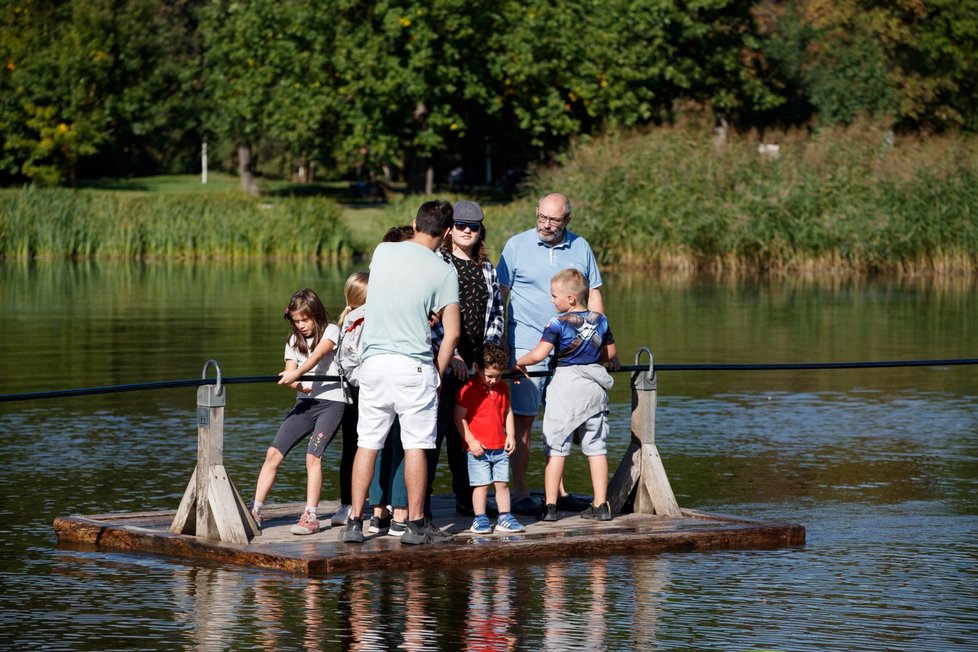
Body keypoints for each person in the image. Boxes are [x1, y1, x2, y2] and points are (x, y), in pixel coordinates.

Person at [340, 200, 461, 545]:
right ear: (448, 232)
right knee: (415, 446)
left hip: (374, 364)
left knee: (367, 443)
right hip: (413, 365)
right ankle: (416, 525)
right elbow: (451, 332)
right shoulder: (444, 271)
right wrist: (438, 373)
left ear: (414, 222)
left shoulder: (383, 251)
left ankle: (354, 522)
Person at [496, 192, 619, 515]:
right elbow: (501, 297)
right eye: (542, 218)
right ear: (536, 212)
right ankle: (522, 493)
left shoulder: (580, 246)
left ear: (567, 220)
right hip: (526, 344)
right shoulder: (516, 245)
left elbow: (594, 295)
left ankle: (557, 493)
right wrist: (501, 343)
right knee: (523, 420)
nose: (546, 225)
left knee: (564, 420)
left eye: (554, 220)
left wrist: (605, 345)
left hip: (572, 351)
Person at [515, 269, 617, 522]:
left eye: (554, 296)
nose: (552, 300)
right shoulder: (600, 320)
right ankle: (601, 504)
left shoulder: (557, 323)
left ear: (570, 298)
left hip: (567, 389)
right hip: (594, 390)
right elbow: (611, 354)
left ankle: (550, 507)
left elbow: (539, 355)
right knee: (596, 448)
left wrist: (519, 363)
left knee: (556, 447)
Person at [430, 200, 505, 518]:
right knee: (434, 433)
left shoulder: (486, 268)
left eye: (472, 227)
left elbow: (497, 314)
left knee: (468, 439)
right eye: (460, 225)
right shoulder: (437, 263)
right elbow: (429, 316)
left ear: (480, 231)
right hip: (444, 361)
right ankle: (422, 504)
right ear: (450, 229)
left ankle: (467, 498)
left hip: (476, 366)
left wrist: (485, 359)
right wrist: (453, 355)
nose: (466, 231)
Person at [251, 288, 347, 535]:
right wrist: (295, 383)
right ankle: (255, 511)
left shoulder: (331, 330)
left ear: (316, 313)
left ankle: (311, 516)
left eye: (305, 319)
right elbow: (290, 371)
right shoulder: (293, 340)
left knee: (312, 456)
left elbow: (318, 354)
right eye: (296, 321)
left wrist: (296, 374)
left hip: (332, 402)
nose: (301, 325)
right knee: (273, 453)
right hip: (305, 404)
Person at [454, 343, 524, 533]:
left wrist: (511, 435)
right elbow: (458, 417)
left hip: (500, 447)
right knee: (481, 485)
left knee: (502, 483)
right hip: (479, 449)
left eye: (499, 375)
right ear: (477, 368)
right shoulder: (468, 389)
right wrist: (470, 441)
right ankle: (480, 518)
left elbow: (508, 412)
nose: (495, 380)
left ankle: (505, 516)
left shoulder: (502, 388)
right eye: (490, 376)